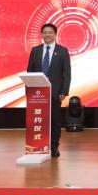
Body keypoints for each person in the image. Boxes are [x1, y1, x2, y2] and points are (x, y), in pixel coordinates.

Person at [27, 23, 71, 157]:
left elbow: (66, 73)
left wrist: (64, 91)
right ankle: (38, 145)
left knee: (55, 121)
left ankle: (54, 146)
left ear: (55, 34)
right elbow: (30, 71)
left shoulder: (62, 51)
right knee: (38, 120)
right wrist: (28, 91)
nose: (47, 35)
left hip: (55, 93)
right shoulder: (35, 50)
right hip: (37, 93)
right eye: (45, 32)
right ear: (42, 34)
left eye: (50, 32)